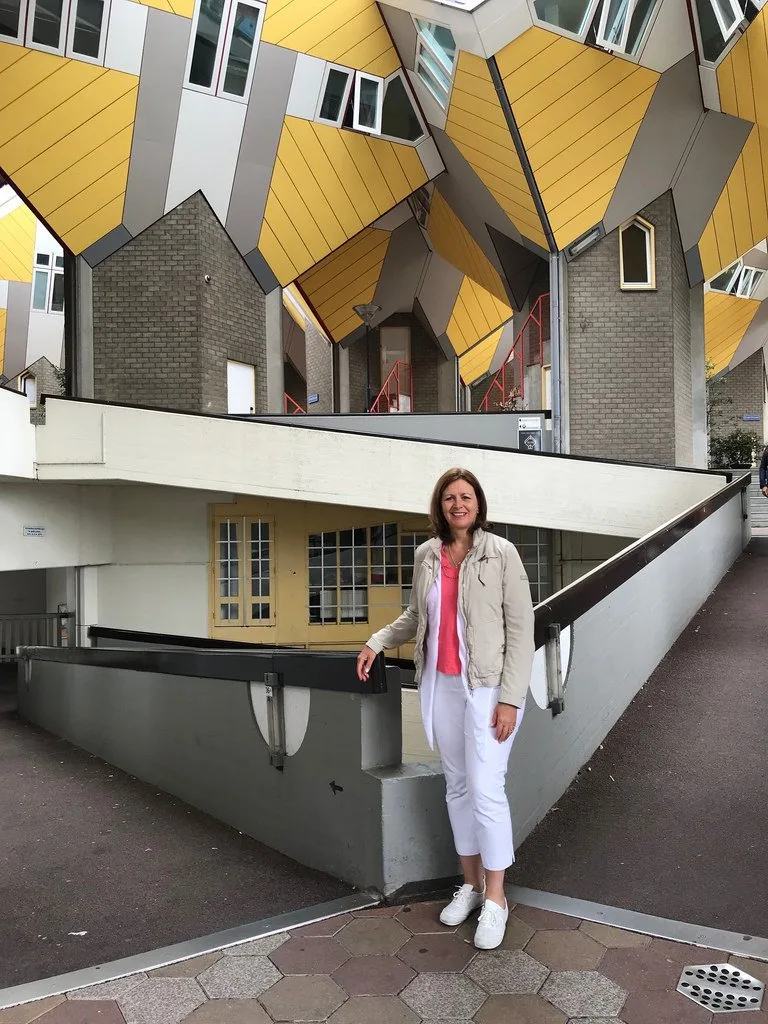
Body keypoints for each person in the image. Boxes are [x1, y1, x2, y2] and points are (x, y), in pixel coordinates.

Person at [357, 468, 535, 950]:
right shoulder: (427, 555)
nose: (458, 504)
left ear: (478, 504)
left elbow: (522, 631)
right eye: (450, 497)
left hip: (488, 689)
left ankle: (497, 898)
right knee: (457, 787)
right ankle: (473, 886)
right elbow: (417, 615)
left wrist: (510, 699)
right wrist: (377, 641)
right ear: (440, 506)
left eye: (466, 496)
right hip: (442, 687)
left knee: (485, 788)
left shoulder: (501, 553)